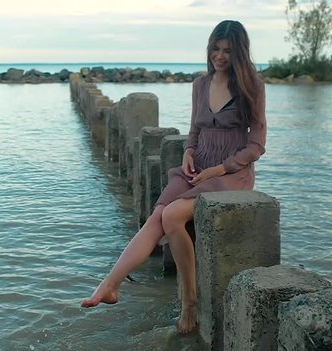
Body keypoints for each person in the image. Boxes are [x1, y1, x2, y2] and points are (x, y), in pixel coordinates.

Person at [80, 20, 267, 334]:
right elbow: (194, 129)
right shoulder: (200, 84)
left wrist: (221, 168)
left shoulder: (253, 87)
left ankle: (188, 302)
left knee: (173, 214)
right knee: (157, 217)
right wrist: (189, 152)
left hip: (229, 174)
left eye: (227, 51)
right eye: (215, 49)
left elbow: (257, 145)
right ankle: (110, 285)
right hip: (197, 166)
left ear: (240, 54)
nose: (219, 57)